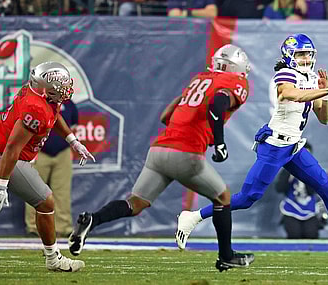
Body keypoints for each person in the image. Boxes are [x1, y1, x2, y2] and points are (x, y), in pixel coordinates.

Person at [176, 33, 328, 255]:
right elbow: (291, 94)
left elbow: (324, 118)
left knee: (326, 188)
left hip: (294, 146)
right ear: (289, 55)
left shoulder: (312, 78)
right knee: (247, 198)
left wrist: (324, 92)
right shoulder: (285, 73)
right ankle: (194, 217)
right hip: (275, 145)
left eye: (308, 54)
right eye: (301, 54)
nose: (305, 58)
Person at [68, 44, 255, 272]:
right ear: (238, 68)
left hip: (158, 151)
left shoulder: (200, 79)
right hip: (186, 154)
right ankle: (226, 256)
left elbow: (167, 115)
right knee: (223, 197)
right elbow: (216, 105)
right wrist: (220, 142)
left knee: (134, 203)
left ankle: (92, 220)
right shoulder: (234, 83)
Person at [0, 61, 95, 272]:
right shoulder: (35, 107)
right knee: (46, 201)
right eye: (61, 87)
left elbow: (54, 115)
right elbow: (12, 148)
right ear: (46, 87)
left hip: (10, 154)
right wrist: (1, 184)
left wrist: (72, 141)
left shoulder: (43, 96)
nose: (66, 90)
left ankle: (52, 258)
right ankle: (53, 259)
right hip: (6, 156)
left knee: (46, 203)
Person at [25, 99, 79, 238]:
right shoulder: (36, 102)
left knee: (62, 191)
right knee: (33, 190)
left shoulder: (69, 104)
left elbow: (73, 126)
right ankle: (33, 227)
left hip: (63, 152)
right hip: (38, 151)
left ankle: (64, 227)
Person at [274, 141, 328, 239]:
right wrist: (289, 175)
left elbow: (313, 191)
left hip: (309, 209)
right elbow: (279, 188)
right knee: (294, 234)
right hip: (291, 208)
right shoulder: (287, 169)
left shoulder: (314, 171)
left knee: (311, 234)